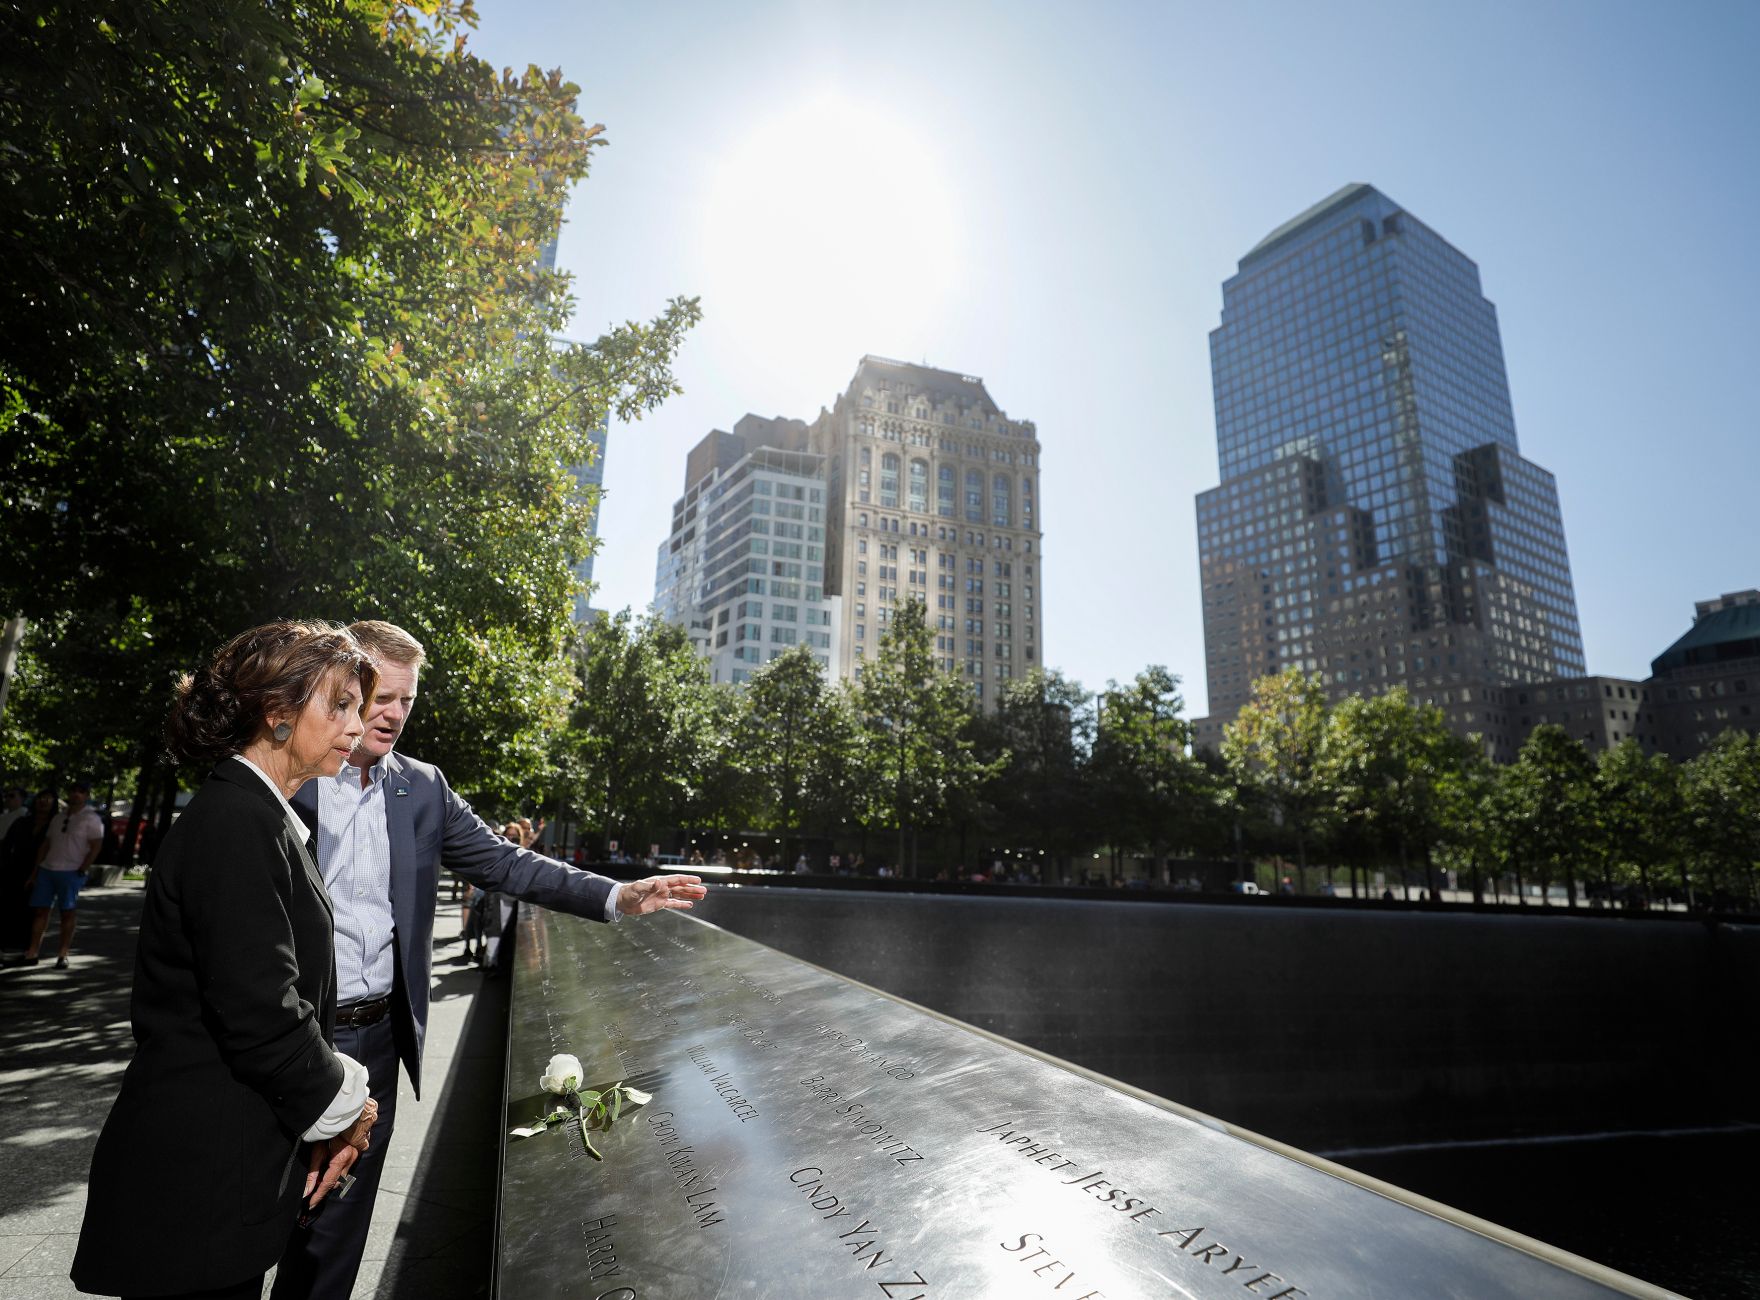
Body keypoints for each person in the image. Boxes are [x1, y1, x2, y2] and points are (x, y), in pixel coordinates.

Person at [271, 620, 705, 1300]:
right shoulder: (284, 773)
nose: (392, 715)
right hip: (282, 1034)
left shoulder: (422, 789)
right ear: (342, 688)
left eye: (407, 702)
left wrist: (620, 893)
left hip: (374, 1044)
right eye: (380, 696)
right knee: (248, 1218)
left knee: (332, 1238)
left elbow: (507, 863)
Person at [71, 620, 383, 1299]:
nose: (357, 725)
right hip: (193, 1190)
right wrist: (353, 1110)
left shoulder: (255, 816)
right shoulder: (237, 822)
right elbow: (262, 1013)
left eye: (359, 707)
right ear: (276, 711)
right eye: (340, 704)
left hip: (213, 1180)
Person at [13, 779, 104, 968]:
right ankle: (32, 952)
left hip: (71, 871)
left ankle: (63, 954)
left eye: (81, 791)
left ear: (86, 796)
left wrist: (83, 869)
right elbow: (46, 845)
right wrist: (35, 871)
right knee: (40, 911)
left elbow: (96, 846)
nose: (76, 794)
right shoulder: (58, 817)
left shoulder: (92, 818)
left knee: (67, 913)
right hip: (48, 868)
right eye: (73, 790)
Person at [0, 789, 54, 954]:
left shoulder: (55, 824)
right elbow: (6, 845)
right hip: (15, 869)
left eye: (47, 799)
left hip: (43, 869)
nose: (43, 802)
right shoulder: (22, 822)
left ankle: (28, 945)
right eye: (40, 798)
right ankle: (8, 942)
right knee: (10, 905)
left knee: (34, 908)